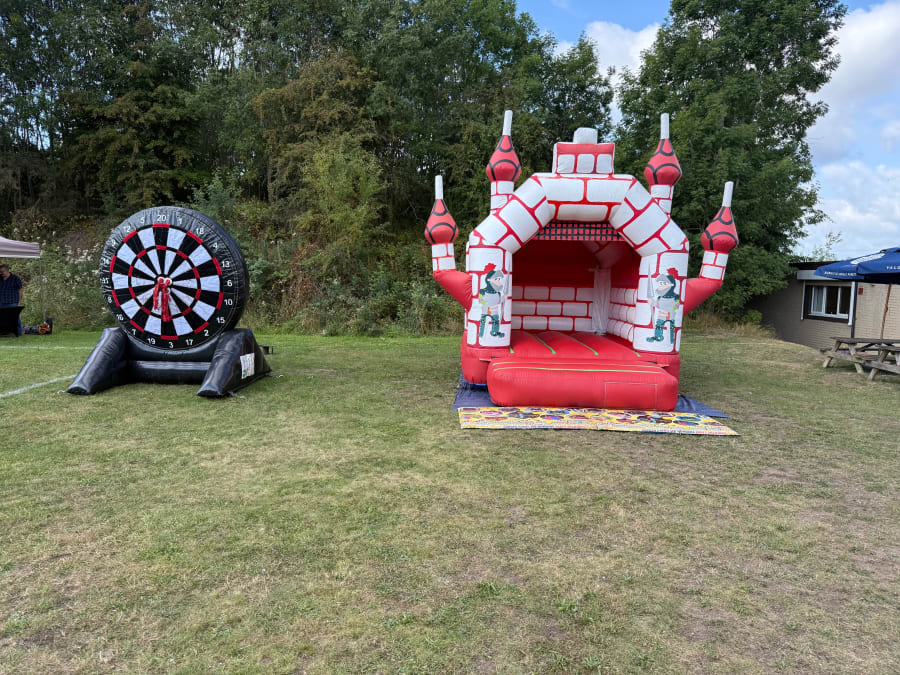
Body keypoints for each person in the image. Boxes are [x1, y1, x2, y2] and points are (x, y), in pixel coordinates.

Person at [0, 264, 24, 335]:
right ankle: (4, 331)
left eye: (2, 272)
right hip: (1, 302)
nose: (1, 273)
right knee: (2, 318)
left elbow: (20, 290)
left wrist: (19, 302)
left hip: (12, 301)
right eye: (0, 272)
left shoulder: (15, 278)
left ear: (7, 270)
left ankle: (19, 331)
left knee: (15, 317)